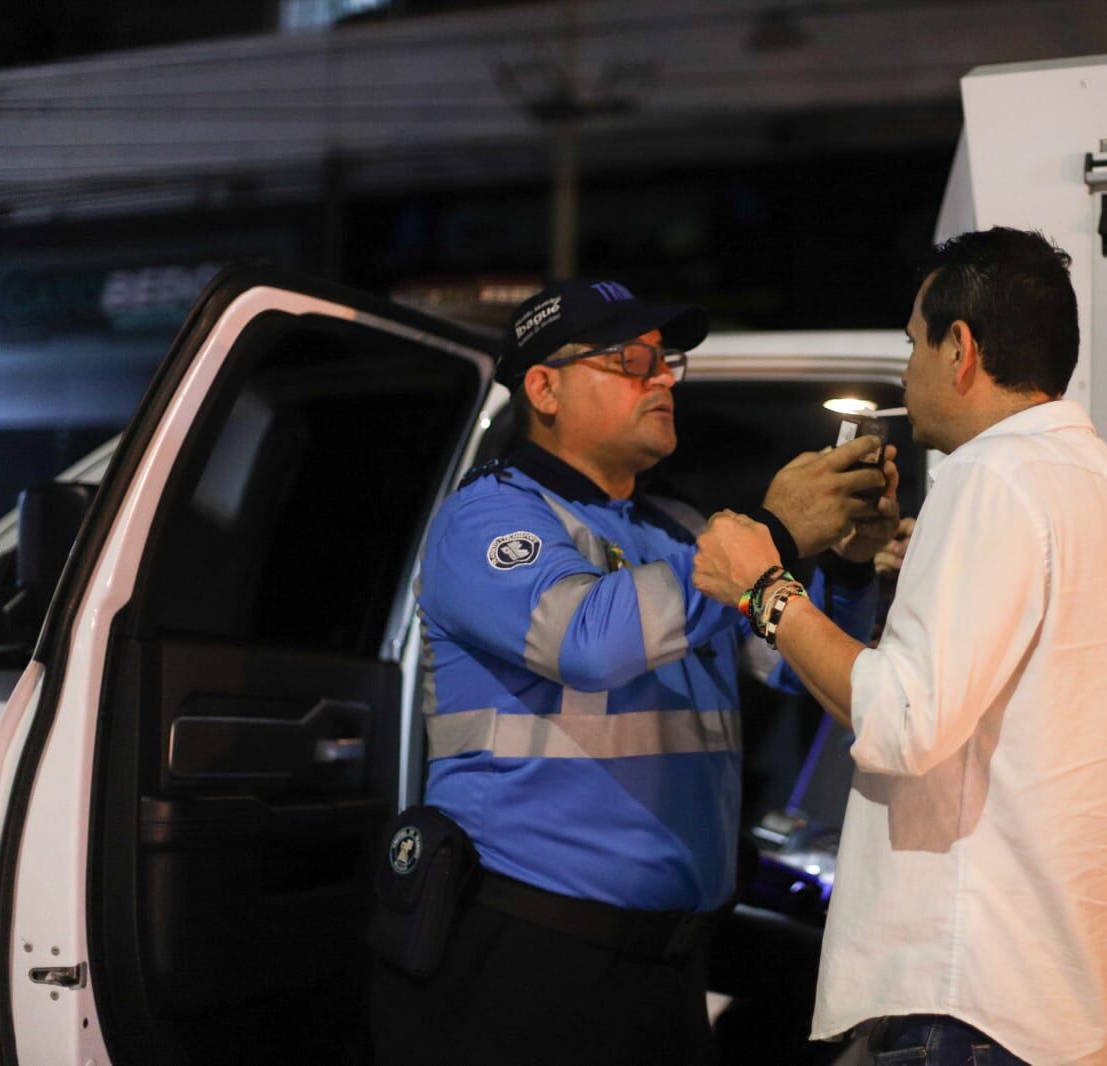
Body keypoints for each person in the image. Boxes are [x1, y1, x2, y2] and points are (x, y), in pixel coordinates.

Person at [370, 278, 897, 1066]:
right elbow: (586, 638)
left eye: (666, 361)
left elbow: (791, 670)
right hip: (530, 955)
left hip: (666, 963)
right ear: (543, 388)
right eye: (630, 360)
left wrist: (849, 570)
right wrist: (779, 534)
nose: (660, 379)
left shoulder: (675, 527)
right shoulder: (489, 517)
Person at [693, 228, 1107, 1064]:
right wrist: (861, 576)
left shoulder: (989, 477)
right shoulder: (1106, 486)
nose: (906, 368)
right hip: (1061, 998)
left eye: (913, 342)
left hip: (972, 997)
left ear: (962, 348)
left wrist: (763, 588)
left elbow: (904, 719)